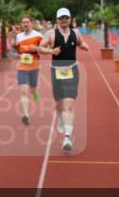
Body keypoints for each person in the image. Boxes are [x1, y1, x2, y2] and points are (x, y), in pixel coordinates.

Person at [37, 8, 90, 152]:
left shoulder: (76, 33)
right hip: (57, 71)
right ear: (57, 20)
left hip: (72, 70)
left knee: (69, 102)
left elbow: (80, 42)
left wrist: (84, 46)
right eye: (61, 18)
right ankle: (61, 117)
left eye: (66, 17)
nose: (64, 19)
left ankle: (67, 137)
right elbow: (40, 48)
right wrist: (51, 51)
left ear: (71, 18)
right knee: (60, 103)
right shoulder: (51, 34)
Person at [13, 15, 42, 125]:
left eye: (27, 22)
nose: (25, 24)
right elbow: (18, 50)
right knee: (24, 91)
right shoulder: (19, 36)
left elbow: (43, 49)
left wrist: (37, 50)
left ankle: (35, 92)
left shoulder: (38, 36)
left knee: (32, 89)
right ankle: (26, 115)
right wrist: (19, 54)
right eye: (23, 22)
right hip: (22, 66)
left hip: (34, 66)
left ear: (31, 23)